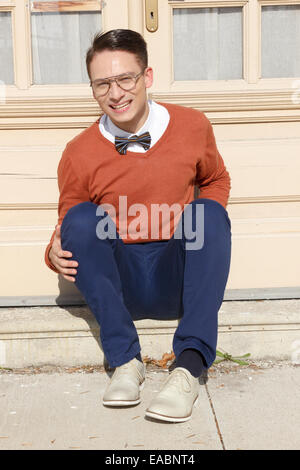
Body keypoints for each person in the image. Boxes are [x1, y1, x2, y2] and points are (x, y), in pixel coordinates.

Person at [44, 29, 231, 423]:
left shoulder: (193, 125)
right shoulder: (78, 153)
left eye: (125, 79)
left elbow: (216, 180)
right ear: (92, 89)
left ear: (147, 77)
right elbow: (68, 221)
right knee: (81, 218)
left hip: (175, 274)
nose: (116, 93)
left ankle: (189, 368)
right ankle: (126, 361)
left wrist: (205, 235)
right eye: (102, 84)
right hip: (121, 282)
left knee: (208, 214)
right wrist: (52, 253)